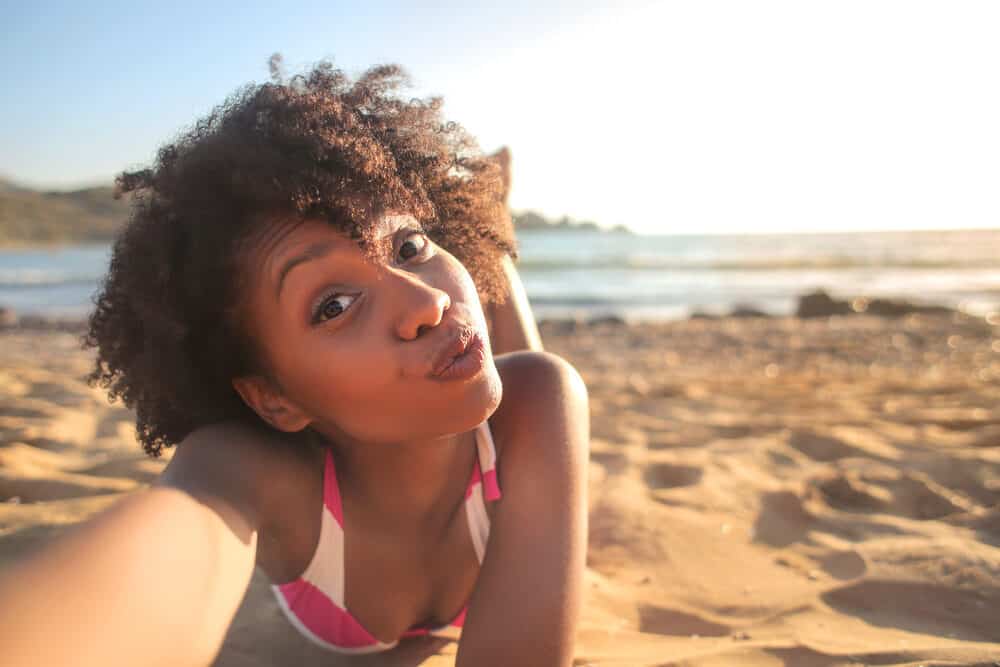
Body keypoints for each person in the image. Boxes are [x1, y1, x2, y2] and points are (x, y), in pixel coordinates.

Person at [0, 57, 588, 666]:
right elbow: (172, 540)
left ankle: (494, 225)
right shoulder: (256, 470)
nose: (429, 300)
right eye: (334, 305)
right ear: (272, 397)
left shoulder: (540, 402)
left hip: (514, 416)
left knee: (526, 365)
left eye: (410, 244)